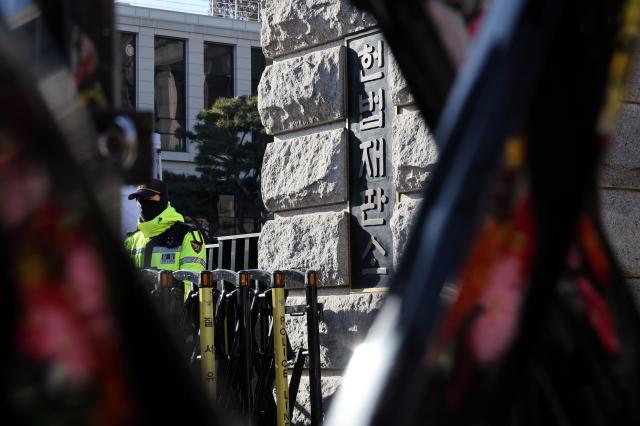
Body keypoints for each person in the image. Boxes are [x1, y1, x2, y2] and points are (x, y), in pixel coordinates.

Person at [124, 179, 206, 296]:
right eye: (139, 199)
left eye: (149, 197)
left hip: (173, 311)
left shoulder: (187, 235)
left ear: (163, 199)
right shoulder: (131, 240)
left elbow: (191, 284)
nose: (143, 202)